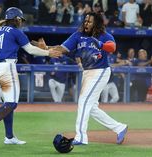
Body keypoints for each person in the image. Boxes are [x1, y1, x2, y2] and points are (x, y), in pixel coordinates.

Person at [0, 7, 61, 146]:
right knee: (11, 103)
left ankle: (9, 136)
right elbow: (30, 50)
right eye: (20, 19)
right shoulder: (15, 31)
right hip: (7, 68)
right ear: (16, 19)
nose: (21, 22)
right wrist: (48, 53)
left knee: (8, 103)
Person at [51, 12, 128, 145]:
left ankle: (81, 137)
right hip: (87, 73)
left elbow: (112, 47)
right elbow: (63, 48)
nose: (86, 23)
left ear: (96, 23)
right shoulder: (78, 35)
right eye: (85, 21)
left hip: (100, 71)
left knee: (83, 101)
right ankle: (119, 127)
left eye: (90, 21)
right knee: (91, 107)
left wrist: (101, 45)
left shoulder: (104, 36)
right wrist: (47, 49)